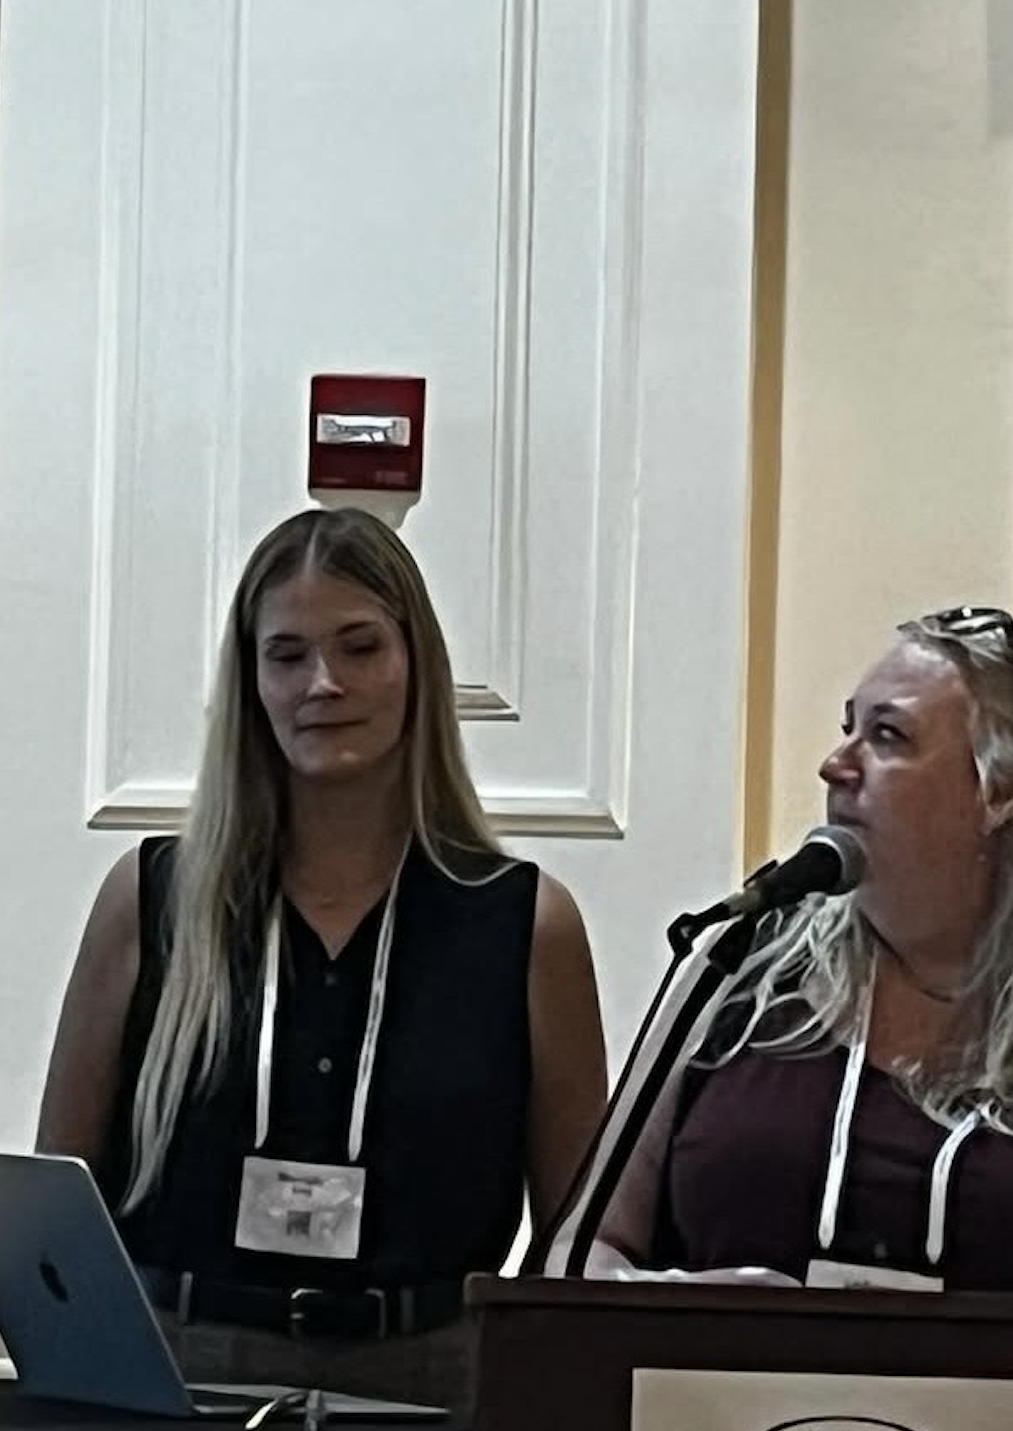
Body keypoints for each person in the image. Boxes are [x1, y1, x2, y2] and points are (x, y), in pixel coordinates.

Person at [35, 507, 608, 1413]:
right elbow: (57, 1207)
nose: (324, 683)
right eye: (287, 654)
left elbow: (578, 1236)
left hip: (432, 1378)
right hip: (183, 1370)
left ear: (417, 666)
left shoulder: (526, 925)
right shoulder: (152, 899)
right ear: (251, 681)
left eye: (360, 647)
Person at [587, 605, 1013, 1301]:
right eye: (847, 728)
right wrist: (672, 1304)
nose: (834, 765)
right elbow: (579, 1252)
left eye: (886, 736)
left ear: (1000, 790)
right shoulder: (737, 967)